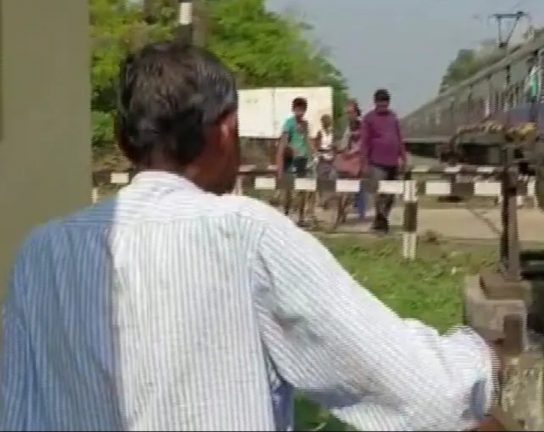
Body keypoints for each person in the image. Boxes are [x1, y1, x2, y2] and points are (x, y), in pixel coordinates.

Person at [0, 42, 500, 431]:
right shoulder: (245, 235)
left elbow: (15, 412)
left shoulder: (42, 252)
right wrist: (480, 355)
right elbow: (424, 393)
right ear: (226, 132)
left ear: (123, 141)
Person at [360, 89, 408, 233]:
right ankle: (381, 220)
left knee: (391, 194)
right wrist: (364, 163)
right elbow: (365, 142)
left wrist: (404, 158)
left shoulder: (393, 117)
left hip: (393, 161)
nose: (383, 106)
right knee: (380, 193)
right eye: (380, 103)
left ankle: (382, 218)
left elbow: (399, 138)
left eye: (385, 103)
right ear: (375, 102)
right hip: (377, 162)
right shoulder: (368, 118)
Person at [276, 97, 313, 226]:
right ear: (293, 109)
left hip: (302, 159)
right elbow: (284, 142)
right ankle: (286, 215)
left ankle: (301, 217)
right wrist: (291, 149)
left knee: (302, 189)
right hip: (290, 159)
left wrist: (312, 155)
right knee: (288, 189)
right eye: (298, 109)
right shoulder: (289, 123)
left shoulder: (305, 124)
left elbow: (307, 140)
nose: (300, 112)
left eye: (302, 109)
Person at [313, 113, 336, 210]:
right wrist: (319, 153)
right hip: (322, 158)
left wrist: (333, 149)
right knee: (321, 180)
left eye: (327, 121)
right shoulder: (320, 133)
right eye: (324, 121)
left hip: (331, 158)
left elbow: (335, 145)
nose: (326, 123)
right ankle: (322, 200)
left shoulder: (333, 133)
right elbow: (316, 146)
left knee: (330, 180)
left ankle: (327, 200)